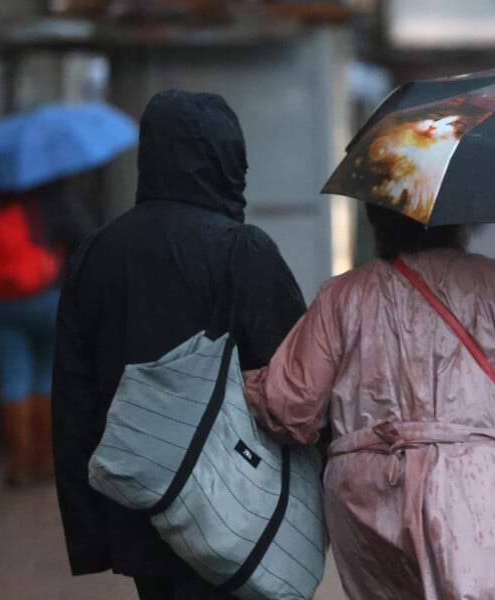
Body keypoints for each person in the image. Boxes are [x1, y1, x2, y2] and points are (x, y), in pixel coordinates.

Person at [244, 204, 495, 599]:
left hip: (369, 497)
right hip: (485, 491)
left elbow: (290, 405)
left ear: (377, 219)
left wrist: (240, 381)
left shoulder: (343, 296)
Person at [51, 90, 306, 599]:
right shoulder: (244, 252)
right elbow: (296, 384)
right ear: (223, 157)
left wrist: (90, 529)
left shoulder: (95, 255)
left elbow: (73, 403)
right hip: (233, 509)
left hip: (138, 508)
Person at [0, 180, 93, 486]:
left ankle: (18, 462)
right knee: (45, 375)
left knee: (12, 377)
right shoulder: (51, 192)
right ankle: (45, 460)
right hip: (45, 298)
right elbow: (83, 234)